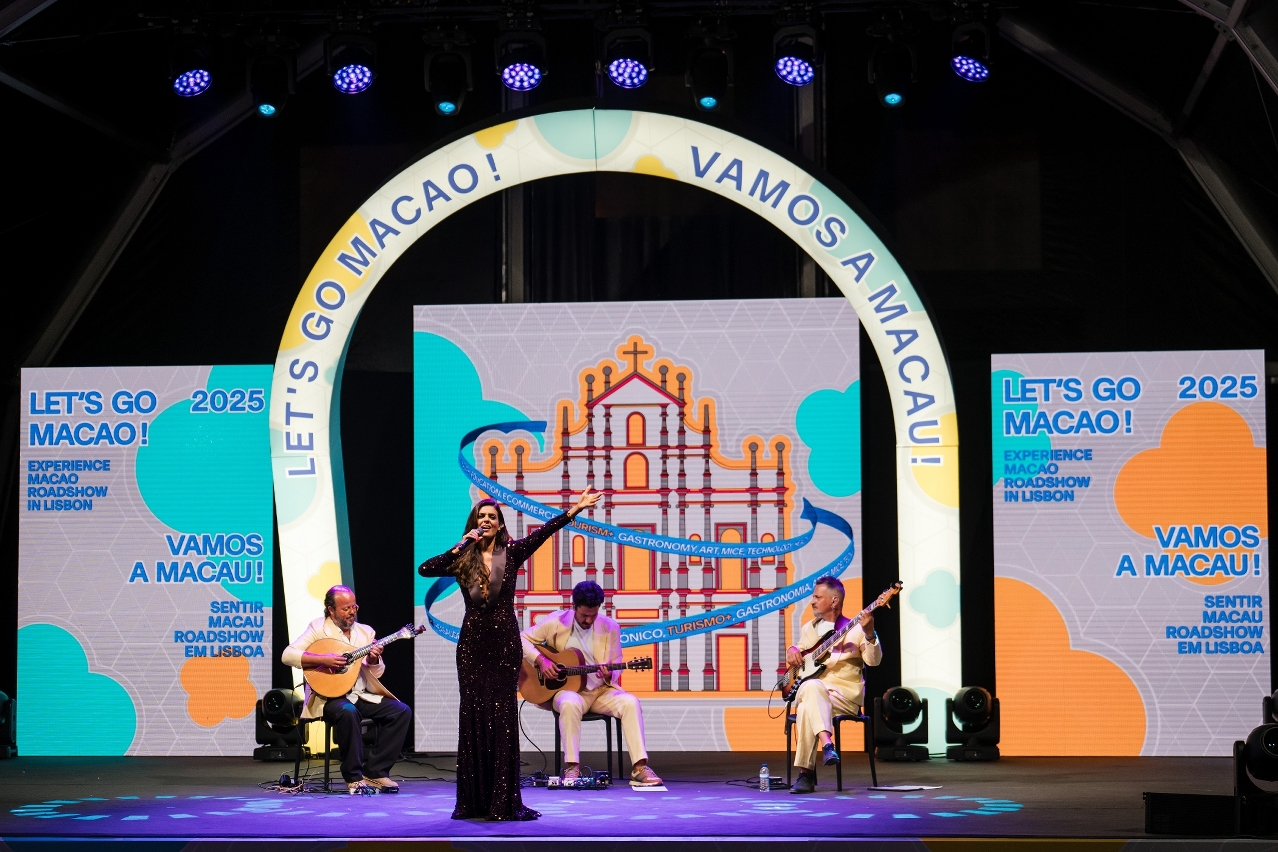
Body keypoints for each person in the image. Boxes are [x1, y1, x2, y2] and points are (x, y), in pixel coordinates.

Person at [419, 488, 602, 821]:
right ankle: (474, 800)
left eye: (492, 517)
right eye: (481, 517)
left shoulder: (512, 552)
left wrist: (574, 510)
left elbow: (544, 533)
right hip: (472, 646)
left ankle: (502, 800)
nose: (486, 520)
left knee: (501, 719)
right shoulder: (463, 558)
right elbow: (426, 569)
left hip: (504, 645)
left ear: (500, 524)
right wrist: (461, 544)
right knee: (473, 715)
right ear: (474, 523)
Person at [520, 580, 663, 787]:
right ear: (574, 606)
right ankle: (572, 767)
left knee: (630, 702)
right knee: (569, 703)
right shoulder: (556, 622)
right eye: (584, 615)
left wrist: (609, 674)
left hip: (601, 691)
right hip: (570, 692)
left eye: (593, 615)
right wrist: (541, 661)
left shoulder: (610, 628)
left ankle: (639, 767)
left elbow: (617, 663)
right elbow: (521, 638)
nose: (588, 620)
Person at [281, 585, 412, 794]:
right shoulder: (317, 628)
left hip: (359, 694)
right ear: (331, 610)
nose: (352, 612)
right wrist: (323, 659)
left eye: (354, 607)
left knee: (401, 711)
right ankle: (354, 777)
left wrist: (373, 660)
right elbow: (287, 655)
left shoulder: (366, 632)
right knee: (348, 712)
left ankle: (376, 771)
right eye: (346, 609)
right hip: (328, 698)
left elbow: (375, 673)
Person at [786, 575, 881, 794]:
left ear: (834, 601)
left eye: (817, 597)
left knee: (805, 706)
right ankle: (827, 745)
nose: (812, 601)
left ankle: (806, 775)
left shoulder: (856, 628)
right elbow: (801, 653)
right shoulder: (809, 628)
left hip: (843, 697)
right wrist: (792, 650)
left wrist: (870, 634)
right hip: (816, 693)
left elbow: (874, 661)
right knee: (811, 688)